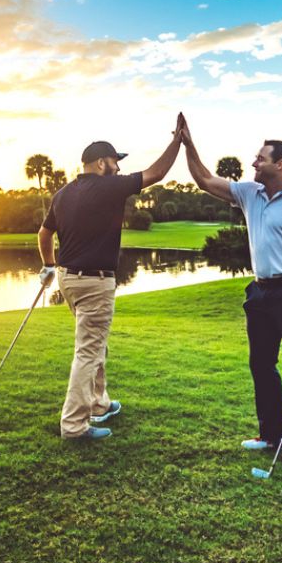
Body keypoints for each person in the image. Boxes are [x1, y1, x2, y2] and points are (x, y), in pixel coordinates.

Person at [181, 117, 282, 466]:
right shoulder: (249, 193)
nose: (253, 162)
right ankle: (274, 434)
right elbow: (203, 180)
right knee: (261, 364)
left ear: (280, 164)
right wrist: (187, 143)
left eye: (260, 158)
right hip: (260, 293)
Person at [37, 114, 184, 439]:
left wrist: (48, 266)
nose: (118, 168)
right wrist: (178, 141)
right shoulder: (109, 185)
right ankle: (74, 425)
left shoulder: (63, 193)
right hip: (94, 281)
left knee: (94, 343)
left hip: (68, 279)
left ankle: (99, 404)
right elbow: (157, 173)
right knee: (89, 350)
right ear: (101, 163)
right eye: (115, 162)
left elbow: (44, 234)